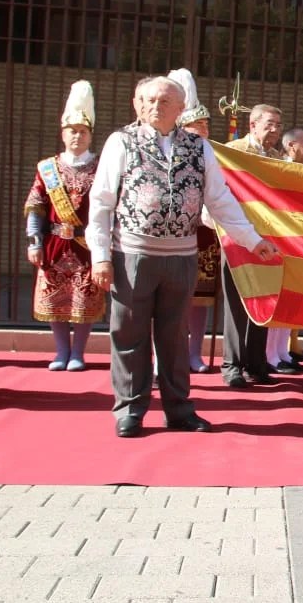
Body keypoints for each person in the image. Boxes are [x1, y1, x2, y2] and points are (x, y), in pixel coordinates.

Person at [87, 76, 279, 438]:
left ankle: (178, 409)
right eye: (147, 100)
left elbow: (220, 200)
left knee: (175, 335)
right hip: (132, 254)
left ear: (180, 109)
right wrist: (100, 256)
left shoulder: (198, 147)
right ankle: (130, 409)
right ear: (135, 103)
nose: (154, 107)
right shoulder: (121, 142)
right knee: (129, 332)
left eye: (164, 101)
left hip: (181, 256)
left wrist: (253, 241)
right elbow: (101, 203)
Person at [23, 80, 104, 371]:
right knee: (55, 300)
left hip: (86, 243)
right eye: (72, 131)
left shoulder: (101, 166)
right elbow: (36, 205)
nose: (77, 137)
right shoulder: (48, 168)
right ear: (63, 133)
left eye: (83, 132)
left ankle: (78, 353)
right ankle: (61, 351)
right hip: (55, 242)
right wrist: (34, 241)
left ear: (90, 135)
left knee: (84, 298)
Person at [219, 103, 286, 388]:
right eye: (269, 124)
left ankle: (256, 363)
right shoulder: (232, 152)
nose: (274, 130)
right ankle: (232, 365)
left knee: (264, 298)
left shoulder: (276, 158)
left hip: (266, 239)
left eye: (278, 125)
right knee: (237, 302)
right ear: (253, 125)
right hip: (237, 236)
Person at [168, 68, 219, 374]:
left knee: (200, 299)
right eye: (195, 125)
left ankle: (194, 352)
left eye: (205, 125)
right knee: (174, 300)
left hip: (206, 234)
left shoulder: (213, 155)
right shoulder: (171, 153)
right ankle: (171, 354)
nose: (201, 130)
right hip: (176, 234)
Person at [265, 126, 303, 374]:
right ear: (291, 146)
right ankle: (270, 355)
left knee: (291, 297)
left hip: (299, 240)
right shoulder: (278, 168)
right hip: (280, 238)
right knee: (278, 296)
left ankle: (282, 351)